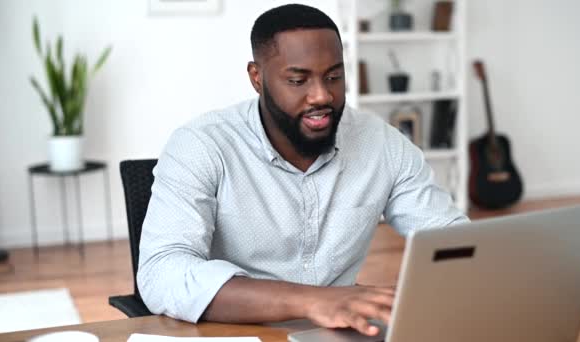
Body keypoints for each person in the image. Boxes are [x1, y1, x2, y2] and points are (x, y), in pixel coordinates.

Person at [138, 3, 468, 336]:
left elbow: (456, 242)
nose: (321, 95)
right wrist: (314, 301)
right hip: (234, 333)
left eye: (334, 77)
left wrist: (435, 278)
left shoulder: (383, 145)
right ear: (257, 78)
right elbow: (161, 273)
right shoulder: (201, 145)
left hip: (339, 332)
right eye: (298, 80)